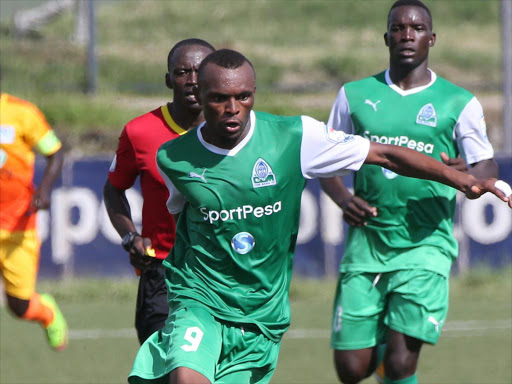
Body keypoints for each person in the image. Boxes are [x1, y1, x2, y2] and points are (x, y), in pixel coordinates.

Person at [127, 48, 510, 384]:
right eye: (219, 98)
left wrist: (461, 180)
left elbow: (386, 154)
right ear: (200, 96)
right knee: (188, 378)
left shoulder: (295, 137)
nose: (232, 109)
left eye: (243, 97)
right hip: (200, 299)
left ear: (254, 94)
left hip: (261, 312)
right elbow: (180, 221)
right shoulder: (173, 158)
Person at [320, 1, 500, 383]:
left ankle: (396, 346)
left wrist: (470, 173)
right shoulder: (353, 95)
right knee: (351, 370)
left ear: (431, 38)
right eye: (398, 28)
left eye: (417, 28)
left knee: (402, 365)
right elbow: (326, 161)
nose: (407, 35)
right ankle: (385, 335)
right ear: (386, 37)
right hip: (367, 242)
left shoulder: (458, 102)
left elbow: (485, 164)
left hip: (425, 243)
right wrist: (342, 198)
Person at [103, 38, 215, 344]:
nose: (192, 81)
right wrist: (130, 236)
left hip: (223, 272)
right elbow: (113, 190)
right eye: (182, 72)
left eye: (201, 71)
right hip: (162, 274)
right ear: (168, 80)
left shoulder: (238, 131)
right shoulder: (139, 132)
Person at [0, 82, 67, 350]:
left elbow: (55, 153)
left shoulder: (21, 113)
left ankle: (47, 313)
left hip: (18, 224)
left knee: (19, 305)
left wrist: (45, 190)